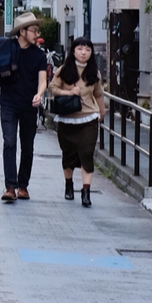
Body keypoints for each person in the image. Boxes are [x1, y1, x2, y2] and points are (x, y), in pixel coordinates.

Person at [0, 12, 49, 203]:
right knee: (9, 142)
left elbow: (43, 80)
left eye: (37, 30)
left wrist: (39, 94)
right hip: (8, 103)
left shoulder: (39, 55)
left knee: (27, 147)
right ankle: (10, 186)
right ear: (22, 31)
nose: (36, 34)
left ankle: (23, 186)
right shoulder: (5, 48)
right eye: (33, 30)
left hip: (29, 105)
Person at [48, 39, 105, 207]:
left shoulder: (94, 72)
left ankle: (86, 192)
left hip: (89, 118)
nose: (83, 52)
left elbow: (98, 94)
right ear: (73, 51)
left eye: (87, 49)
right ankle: (68, 185)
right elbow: (52, 88)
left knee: (87, 153)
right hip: (68, 118)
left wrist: (102, 111)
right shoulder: (64, 70)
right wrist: (69, 92)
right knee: (69, 154)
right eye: (79, 49)